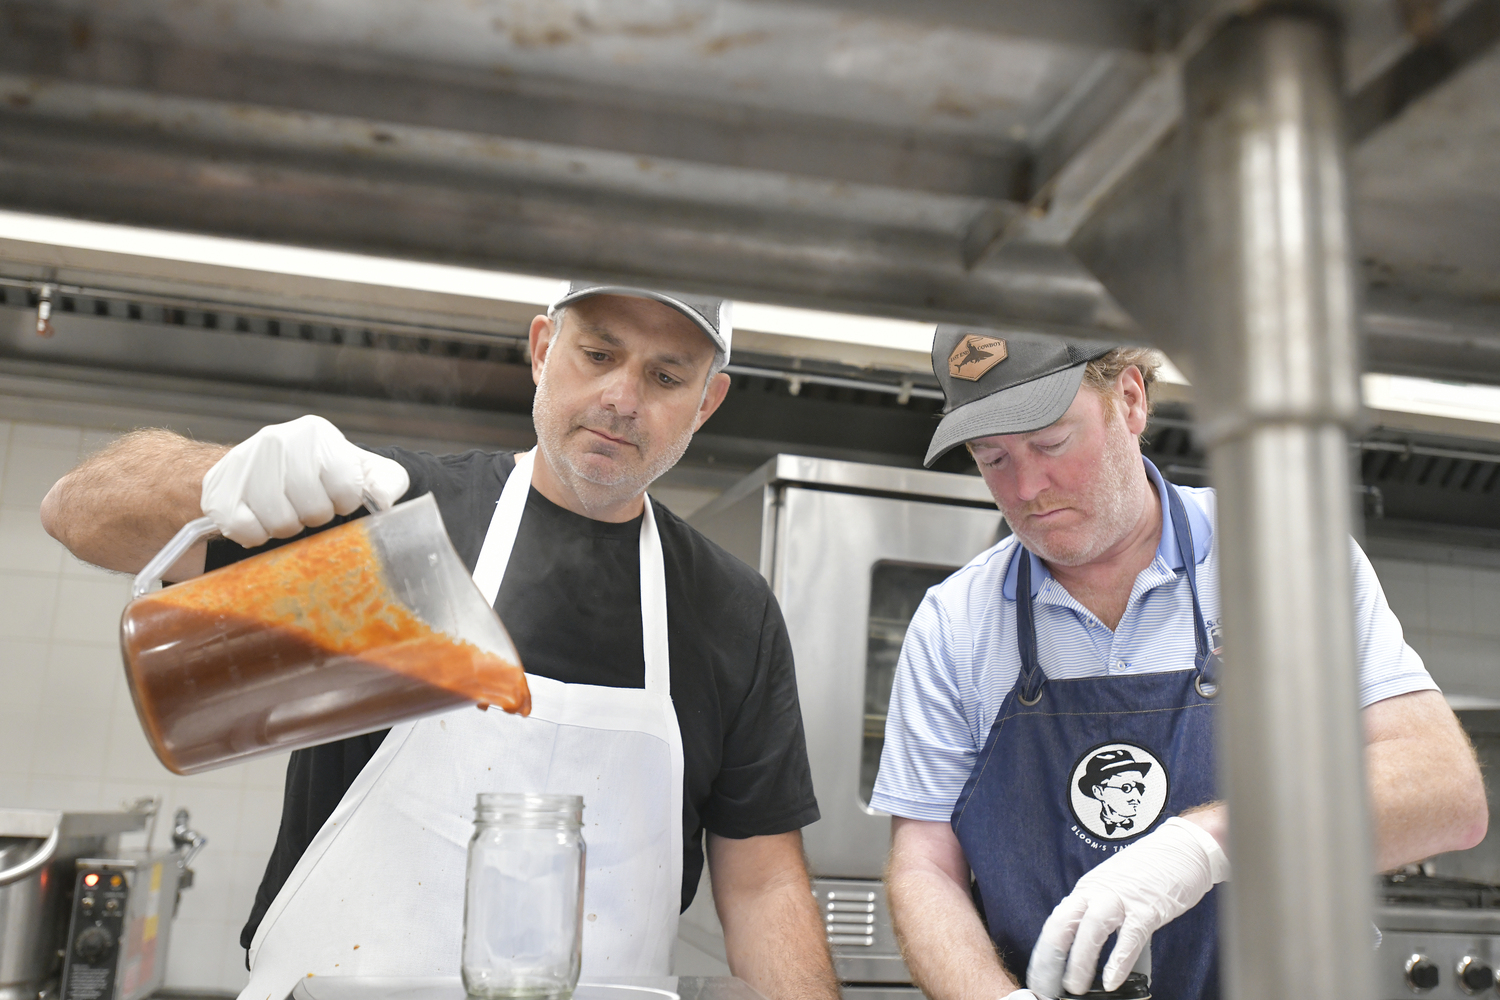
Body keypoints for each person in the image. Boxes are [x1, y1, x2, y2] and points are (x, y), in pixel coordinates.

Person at [42, 282, 840, 1000]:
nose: (622, 397)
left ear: (708, 402)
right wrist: (215, 478)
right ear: (541, 350)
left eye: (666, 377)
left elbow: (764, 883)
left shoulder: (730, 611)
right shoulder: (388, 515)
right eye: (598, 353)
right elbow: (75, 514)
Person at [872, 328, 1489, 1000]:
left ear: (1129, 400)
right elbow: (924, 866)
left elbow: (1445, 793)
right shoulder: (954, 622)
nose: (1028, 487)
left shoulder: (1286, 559)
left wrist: (1208, 842)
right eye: (992, 459)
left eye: (1051, 443)